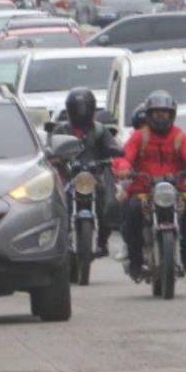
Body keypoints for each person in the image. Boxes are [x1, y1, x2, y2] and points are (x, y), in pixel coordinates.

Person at [112, 90, 186, 278]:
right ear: (149, 115)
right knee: (131, 210)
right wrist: (123, 168)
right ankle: (136, 261)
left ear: (172, 115)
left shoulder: (180, 136)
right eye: (157, 113)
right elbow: (124, 157)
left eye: (165, 113)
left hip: (176, 191)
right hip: (144, 190)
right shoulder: (140, 136)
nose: (161, 117)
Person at [52, 88, 121, 257]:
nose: (80, 112)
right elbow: (50, 149)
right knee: (60, 202)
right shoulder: (61, 131)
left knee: (107, 200)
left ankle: (103, 241)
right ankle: (63, 238)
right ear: (69, 109)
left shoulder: (99, 130)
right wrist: (55, 158)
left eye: (84, 108)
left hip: (93, 176)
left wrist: (114, 152)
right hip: (68, 177)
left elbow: (112, 146)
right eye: (76, 108)